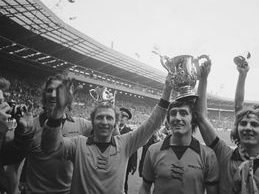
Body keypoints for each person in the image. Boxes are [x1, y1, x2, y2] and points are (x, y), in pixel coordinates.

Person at [41, 75, 172, 193]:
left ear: (115, 123)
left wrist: (167, 91)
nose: (104, 122)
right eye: (100, 117)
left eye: (109, 118)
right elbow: (50, 147)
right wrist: (57, 113)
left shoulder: (125, 144)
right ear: (92, 121)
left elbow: (152, 123)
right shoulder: (78, 143)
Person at [197, 59, 259, 194]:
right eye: (243, 123)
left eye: (254, 124)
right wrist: (203, 79)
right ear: (236, 130)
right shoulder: (224, 154)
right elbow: (200, 117)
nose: (248, 127)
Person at [17, 74, 92, 194]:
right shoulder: (31, 124)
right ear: (44, 95)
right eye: (49, 90)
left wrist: (109, 105)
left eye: (58, 91)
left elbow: (110, 135)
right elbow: (22, 157)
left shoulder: (82, 125)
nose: (53, 95)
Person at [139, 86, 219, 193]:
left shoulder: (208, 155)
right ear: (168, 120)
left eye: (183, 113)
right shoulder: (153, 151)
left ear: (193, 119)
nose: (177, 118)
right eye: (173, 113)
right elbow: (145, 187)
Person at [0, 76, 34, 193]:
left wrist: (23, 130)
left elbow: (12, 150)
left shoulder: (7, 117)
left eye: (3, 98)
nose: (3, 103)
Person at [119, 107, 137, 194]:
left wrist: (133, 164)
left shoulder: (130, 132)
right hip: (111, 160)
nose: (121, 117)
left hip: (125, 162)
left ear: (127, 119)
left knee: (123, 182)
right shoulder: (110, 128)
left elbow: (134, 148)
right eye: (120, 115)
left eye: (124, 116)